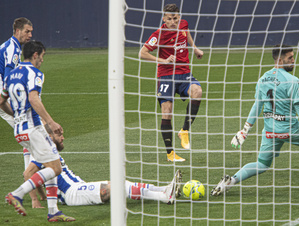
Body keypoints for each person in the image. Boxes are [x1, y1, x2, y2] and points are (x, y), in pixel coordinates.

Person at [211, 44, 299, 196]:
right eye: (290, 58)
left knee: (262, 164)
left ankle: (231, 180)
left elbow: (256, 106)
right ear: (280, 60)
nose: (293, 60)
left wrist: (244, 131)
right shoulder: (292, 80)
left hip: (270, 132)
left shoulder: (263, 78)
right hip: (290, 129)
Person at [0, 41, 75, 222]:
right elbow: (33, 98)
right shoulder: (34, 73)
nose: (42, 60)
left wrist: (17, 115)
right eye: (42, 56)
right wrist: (51, 122)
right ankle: (17, 194)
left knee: (50, 162)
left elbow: (1, 101)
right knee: (55, 167)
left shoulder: (10, 76)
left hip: (19, 130)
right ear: (36, 55)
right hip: (33, 128)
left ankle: (53, 211)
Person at [24, 132, 182, 206]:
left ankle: (164, 189)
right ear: (50, 137)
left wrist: (43, 196)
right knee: (117, 187)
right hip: (72, 193)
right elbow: (28, 173)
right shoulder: (42, 153)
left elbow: (37, 176)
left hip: (78, 188)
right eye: (59, 134)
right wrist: (35, 200)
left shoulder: (47, 153)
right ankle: (164, 197)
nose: (63, 137)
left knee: (121, 184)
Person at [139, 3, 204, 162]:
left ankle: (184, 131)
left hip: (184, 73)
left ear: (179, 17)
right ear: (164, 19)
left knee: (198, 92)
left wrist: (194, 48)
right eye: (169, 19)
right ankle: (170, 154)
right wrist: (164, 60)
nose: (173, 21)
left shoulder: (183, 24)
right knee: (167, 111)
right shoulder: (159, 34)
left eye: (175, 18)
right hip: (166, 75)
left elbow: (186, 33)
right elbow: (142, 53)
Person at [0, 17, 33, 169]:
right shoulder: (12, 49)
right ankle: (30, 175)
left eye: (31, 32)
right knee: (28, 131)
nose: (30, 35)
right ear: (17, 31)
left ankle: (30, 174)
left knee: (27, 131)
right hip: (2, 98)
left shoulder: (13, 46)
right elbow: (8, 77)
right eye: (27, 31)